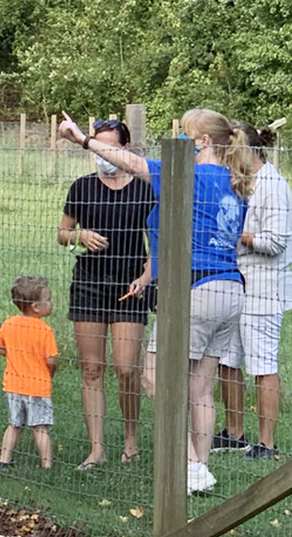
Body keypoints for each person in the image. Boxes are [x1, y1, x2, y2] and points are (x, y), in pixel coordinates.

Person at [59, 108, 254, 494]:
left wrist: (82, 138)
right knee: (199, 387)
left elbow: (128, 161)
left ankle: (191, 464)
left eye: (184, 134)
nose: (178, 141)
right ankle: (199, 473)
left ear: (200, 142)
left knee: (153, 376)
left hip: (195, 289)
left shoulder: (187, 175)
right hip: (231, 288)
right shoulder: (236, 180)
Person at [56, 119, 156, 470]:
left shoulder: (146, 189)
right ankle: (96, 449)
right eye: (96, 145)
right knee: (92, 369)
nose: (101, 154)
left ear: (125, 149)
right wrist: (79, 237)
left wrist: (147, 276)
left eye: (109, 146)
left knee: (127, 368)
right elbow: (62, 233)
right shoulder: (81, 188)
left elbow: (158, 243)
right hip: (89, 283)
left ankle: (131, 440)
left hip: (132, 285)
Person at [216, 121, 292, 460]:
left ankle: (267, 442)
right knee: (227, 359)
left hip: (264, 288)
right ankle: (234, 433)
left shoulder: (273, 186)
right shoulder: (241, 183)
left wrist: (237, 237)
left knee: (262, 363)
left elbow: (275, 242)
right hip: (236, 282)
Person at [0, 276, 58, 469]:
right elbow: (51, 359)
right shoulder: (45, 330)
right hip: (38, 387)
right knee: (40, 428)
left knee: (14, 425)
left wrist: (12, 354)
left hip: (13, 386)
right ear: (36, 307)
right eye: (49, 299)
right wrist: (51, 370)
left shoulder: (10, 323)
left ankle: (4, 460)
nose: (51, 303)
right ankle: (47, 465)